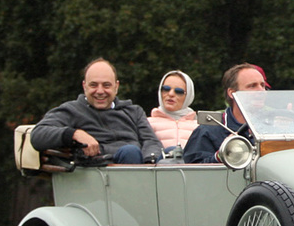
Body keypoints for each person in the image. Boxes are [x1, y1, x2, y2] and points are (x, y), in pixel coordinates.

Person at [31, 59, 161, 164]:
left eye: (106, 85)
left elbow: (151, 141)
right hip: (100, 171)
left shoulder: (133, 111)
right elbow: (38, 134)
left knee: (173, 154)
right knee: (130, 151)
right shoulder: (72, 110)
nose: (100, 91)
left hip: (141, 168)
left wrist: (150, 161)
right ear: (84, 86)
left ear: (116, 87)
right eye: (93, 85)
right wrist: (74, 133)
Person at [182, 63, 269, 163]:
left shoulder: (272, 129)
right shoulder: (208, 131)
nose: (261, 91)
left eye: (262, 85)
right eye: (252, 86)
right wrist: (221, 156)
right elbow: (193, 171)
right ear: (232, 93)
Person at [148, 70, 199, 154]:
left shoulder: (199, 126)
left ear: (189, 95)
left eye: (179, 91)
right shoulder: (147, 123)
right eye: (166, 89)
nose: (171, 94)